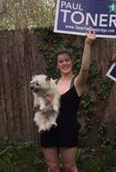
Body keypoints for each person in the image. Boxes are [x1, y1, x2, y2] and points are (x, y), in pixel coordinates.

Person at [39, 30, 96, 172]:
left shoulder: (77, 83)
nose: (64, 63)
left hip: (68, 129)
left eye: (67, 60)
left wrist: (88, 43)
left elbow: (84, 69)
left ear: (71, 62)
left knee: (70, 166)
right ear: (57, 65)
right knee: (52, 167)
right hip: (48, 130)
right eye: (61, 61)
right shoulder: (51, 83)